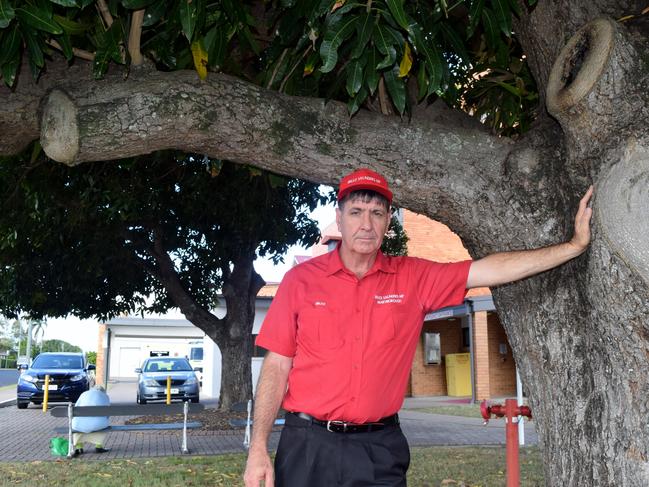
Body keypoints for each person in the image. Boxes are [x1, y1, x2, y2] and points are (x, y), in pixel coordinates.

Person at [244, 168, 593, 486]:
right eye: (356, 212)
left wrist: (572, 246)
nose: (366, 224)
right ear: (339, 217)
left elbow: (488, 270)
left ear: (388, 222)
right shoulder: (300, 282)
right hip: (308, 445)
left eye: (377, 213)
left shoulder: (412, 278)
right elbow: (276, 365)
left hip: (377, 448)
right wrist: (257, 447)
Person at [71, 384, 111, 456]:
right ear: (103, 391)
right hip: (98, 425)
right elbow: (108, 412)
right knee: (102, 422)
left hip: (79, 424)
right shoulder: (105, 396)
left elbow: (76, 407)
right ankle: (98, 446)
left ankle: (78, 448)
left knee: (77, 424)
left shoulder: (84, 394)